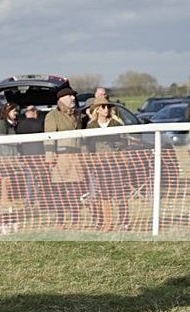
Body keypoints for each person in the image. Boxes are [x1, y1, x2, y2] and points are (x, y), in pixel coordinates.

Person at [44, 87, 87, 228]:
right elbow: (49, 138)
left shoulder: (78, 115)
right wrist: (50, 158)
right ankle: (60, 220)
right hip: (60, 159)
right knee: (60, 192)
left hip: (76, 158)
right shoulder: (53, 115)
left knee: (75, 191)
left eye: (74, 96)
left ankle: (76, 219)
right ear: (61, 99)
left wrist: (85, 156)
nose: (73, 98)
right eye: (69, 96)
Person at [86, 95, 129, 231]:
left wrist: (115, 145)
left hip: (116, 162)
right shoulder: (91, 126)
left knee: (119, 193)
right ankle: (108, 222)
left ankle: (124, 222)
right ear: (97, 110)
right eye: (103, 107)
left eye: (109, 107)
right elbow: (87, 145)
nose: (106, 109)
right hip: (99, 164)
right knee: (104, 193)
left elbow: (124, 141)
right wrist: (90, 160)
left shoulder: (117, 123)